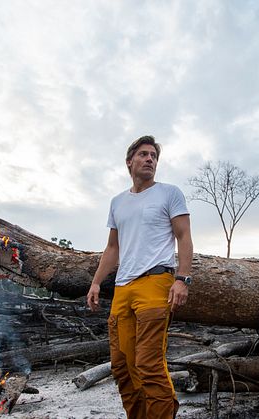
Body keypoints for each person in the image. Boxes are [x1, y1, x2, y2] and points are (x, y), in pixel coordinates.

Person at [87, 135, 193, 419]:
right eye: (143, 154)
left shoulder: (169, 193)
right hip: (123, 288)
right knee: (121, 366)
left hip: (155, 283)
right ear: (129, 162)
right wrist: (96, 282)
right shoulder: (118, 202)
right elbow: (113, 247)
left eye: (153, 156)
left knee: (148, 364)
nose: (150, 159)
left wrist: (183, 279)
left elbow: (183, 236)